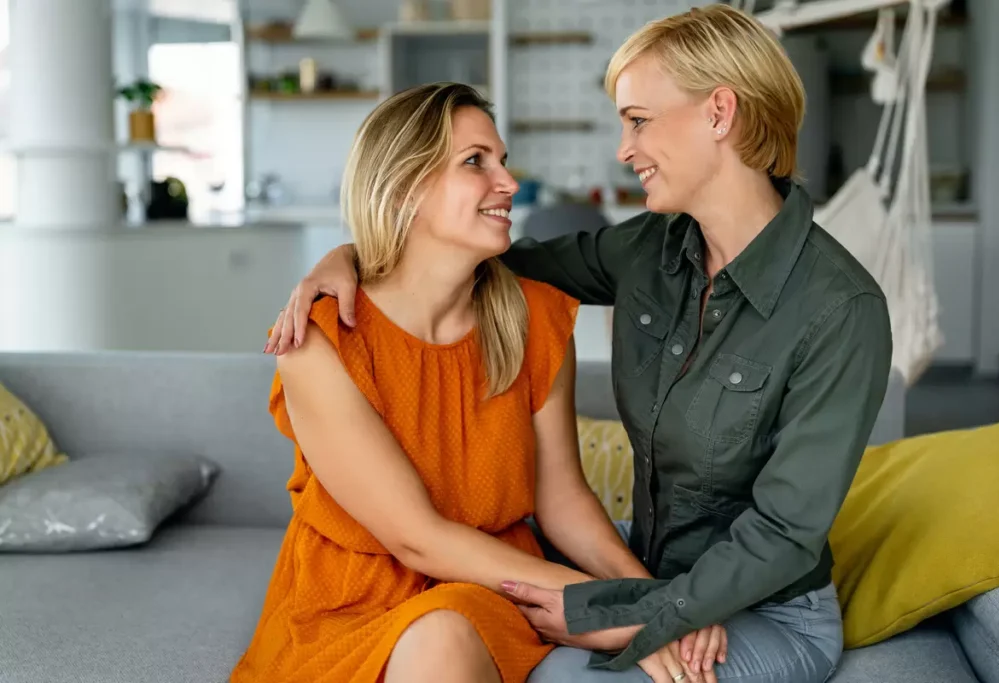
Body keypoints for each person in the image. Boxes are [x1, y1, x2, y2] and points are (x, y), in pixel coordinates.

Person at [267, 5, 894, 683]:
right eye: (479, 161)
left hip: (763, 603)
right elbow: (480, 256)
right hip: (653, 574)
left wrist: (650, 611)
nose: (624, 149)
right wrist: (350, 258)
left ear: (718, 114)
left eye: (638, 120)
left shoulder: (841, 309)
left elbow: (779, 534)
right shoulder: (651, 249)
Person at [232, 81, 704, 683]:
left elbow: (562, 504)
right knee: (439, 640)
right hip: (347, 604)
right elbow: (417, 538)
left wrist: (655, 601)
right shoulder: (322, 340)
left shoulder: (533, 314)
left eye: (501, 160)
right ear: (405, 187)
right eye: (475, 162)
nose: (507, 182)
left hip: (481, 589)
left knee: (445, 636)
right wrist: (610, 606)